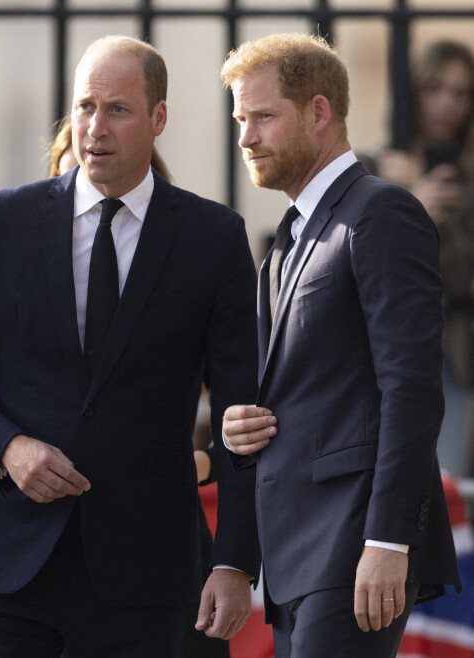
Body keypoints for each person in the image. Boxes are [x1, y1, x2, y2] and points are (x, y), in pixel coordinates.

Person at [0, 35, 261, 657]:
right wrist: (9, 449)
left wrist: (236, 561)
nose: (94, 128)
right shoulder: (3, 222)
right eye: (84, 107)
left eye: (118, 110)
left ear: (158, 118)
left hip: (151, 573)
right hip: (9, 571)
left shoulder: (213, 238)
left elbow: (244, 413)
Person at [220, 32, 462, 657]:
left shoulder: (383, 212)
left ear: (319, 112)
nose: (246, 137)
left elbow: (411, 388)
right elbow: (303, 390)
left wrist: (388, 541)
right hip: (295, 555)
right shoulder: (284, 244)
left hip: (356, 545)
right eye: (241, 119)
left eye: (264, 117)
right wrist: (242, 425)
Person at [48, 117, 230, 658]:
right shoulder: (24, 247)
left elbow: (248, 398)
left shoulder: (195, 253)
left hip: (159, 553)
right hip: (46, 553)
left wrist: (205, 462)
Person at [375, 40, 474, 478]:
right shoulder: (373, 166)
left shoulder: (467, 179)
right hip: (378, 348)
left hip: (451, 352)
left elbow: (459, 275)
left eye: (461, 93)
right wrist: (411, 203)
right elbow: (361, 259)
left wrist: (438, 213)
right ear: (414, 92)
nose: (447, 105)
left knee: (445, 486)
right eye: (436, 89)